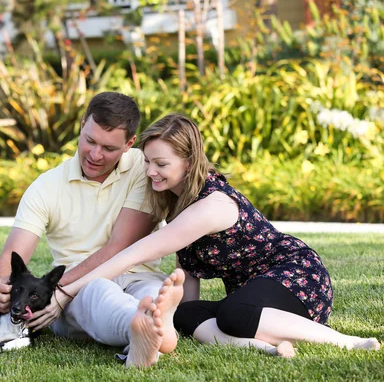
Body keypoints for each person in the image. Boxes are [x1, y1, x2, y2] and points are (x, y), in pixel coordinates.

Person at [38, 113, 381, 367]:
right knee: (187, 317)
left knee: (235, 312)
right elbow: (187, 271)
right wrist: (179, 311)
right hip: (255, 299)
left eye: (161, 163)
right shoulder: (175, 200)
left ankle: (349, 342)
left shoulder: (212, 204)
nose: (150, 171)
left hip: (295, 277)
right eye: (147, 162)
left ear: (188, 162)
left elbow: (131, 254)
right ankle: (268, 347)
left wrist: (65, 293)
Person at [0, 92, 185, 367]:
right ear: (82, 125)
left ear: (129, 144)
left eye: (109, 148)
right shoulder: (46, 187)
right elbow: (11, 255)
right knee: (99, 292)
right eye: (89, 141)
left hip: (139, 276)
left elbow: (119, 246)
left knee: (151, 292)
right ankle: (144, 327)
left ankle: (149, 327)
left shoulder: (144, 167)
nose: (95, 154)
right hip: (78, 289)